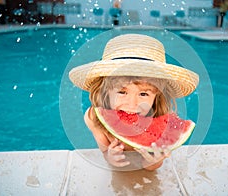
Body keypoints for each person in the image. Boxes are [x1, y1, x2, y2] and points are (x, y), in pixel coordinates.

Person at [69, 34, 199, 170]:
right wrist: (110, 156)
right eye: (122, 92)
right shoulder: (93, 117)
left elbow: (151, 168)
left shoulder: (164, 124)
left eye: (143, 94)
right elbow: (104, 152)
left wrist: (153, 161)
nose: (132, 104)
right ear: (105, 91)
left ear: (157, 96)